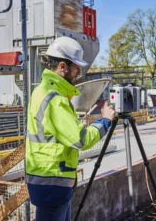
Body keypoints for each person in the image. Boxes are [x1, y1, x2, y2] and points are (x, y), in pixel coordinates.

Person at [25, 37, 116, 221]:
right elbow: (81, 139)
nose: (79, 72)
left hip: (47, 180)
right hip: (52, 181)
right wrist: (105, 121)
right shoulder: (54, 99)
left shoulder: (42, 90)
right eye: (76, 67)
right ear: (62, 66)